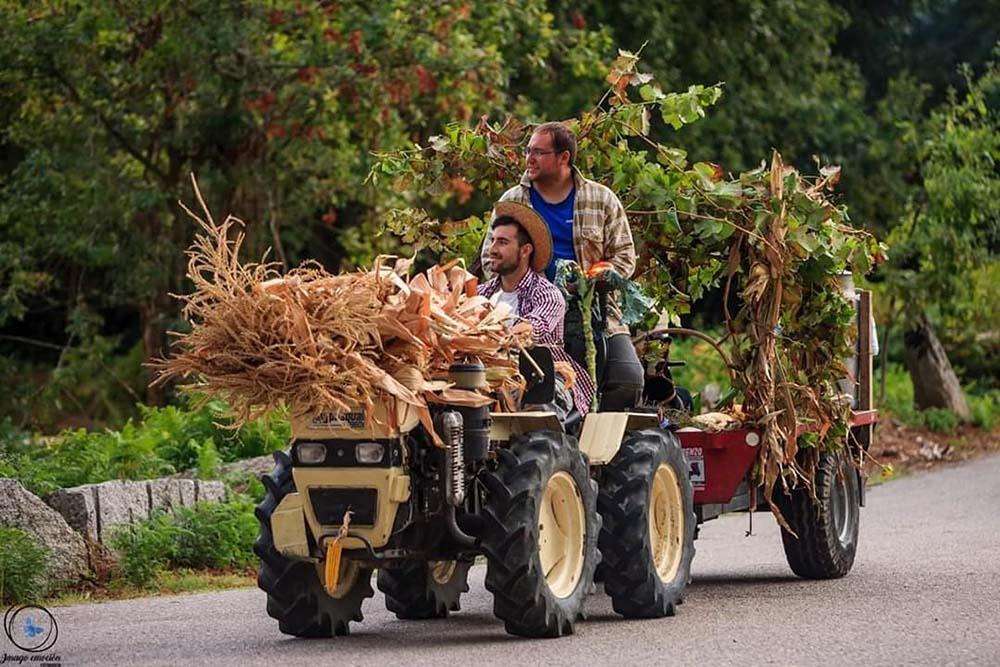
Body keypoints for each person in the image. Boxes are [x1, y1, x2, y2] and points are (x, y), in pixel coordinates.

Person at [480, 121, 644, 410]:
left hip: (595, 312)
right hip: (531, 309)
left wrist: (595, 278)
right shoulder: (513, 200)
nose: (529, 159)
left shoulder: (601, 198)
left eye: (539, 153)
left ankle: (599, 442)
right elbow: (488, 258)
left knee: (627, 377)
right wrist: (530, 283)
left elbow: (625, 258)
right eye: (528, 151)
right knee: (532, 387)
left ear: (564, 157)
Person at [479, 201, 595, 416]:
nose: (493, 249)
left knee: (538, 402)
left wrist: (503, 336)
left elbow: (532, 328)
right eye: (493, 241)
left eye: (502, 242)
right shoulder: (480, 294)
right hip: (487, 376)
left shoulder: (548, 294)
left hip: (540, 376)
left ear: (525, 250)